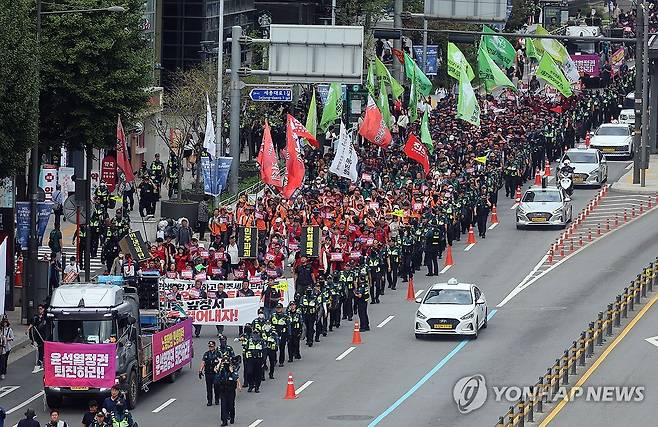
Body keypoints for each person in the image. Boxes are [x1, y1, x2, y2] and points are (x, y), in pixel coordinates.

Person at [214, 356, 241, 426]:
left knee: (231, 406)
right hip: (223, 391)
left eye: (227, 362)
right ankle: (224, 421)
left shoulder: (233, 370)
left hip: (231, 391)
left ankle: (232, 417)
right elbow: (216, 379)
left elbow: (236, 378)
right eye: (224, 362)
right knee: (223, 406)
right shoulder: (221, 371)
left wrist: (231, 372)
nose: (226, 363)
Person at [26, 304, 48, 372]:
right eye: (38, 309)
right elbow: (32, 324)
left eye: (41, 308)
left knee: (44, 348)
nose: (39, 310)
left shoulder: (46, 317)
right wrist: (28, 329)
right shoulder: (35, 317)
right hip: (38, 335)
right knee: (40, 348)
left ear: (43, 309)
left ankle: (43, 359)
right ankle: (40, 360)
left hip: (45, 335)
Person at [199, 341, 221, 406]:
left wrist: (218, 368)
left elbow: (220, 362)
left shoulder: (218, 353)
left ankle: (217, 399)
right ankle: (209, 401)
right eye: (209, 346)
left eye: (212, 346)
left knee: (216, 386)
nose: (210, 347)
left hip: (215, 373)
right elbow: (203, 362)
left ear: (214, 346)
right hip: (208, 373)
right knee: (209, 388)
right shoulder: (206, 354)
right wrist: (200, 370)